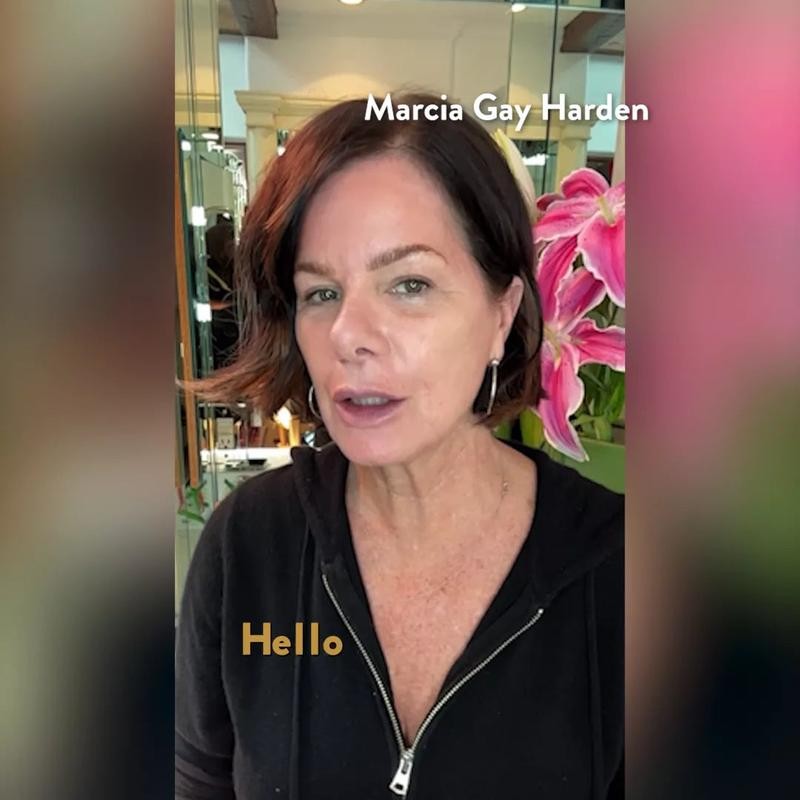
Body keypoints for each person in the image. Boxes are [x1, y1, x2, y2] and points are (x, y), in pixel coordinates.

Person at [176, 92, 623, 799]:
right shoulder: (248, 547)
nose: (348, 335)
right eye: (321, 293)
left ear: (502, 314)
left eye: (409, 284)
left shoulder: (622, 573)